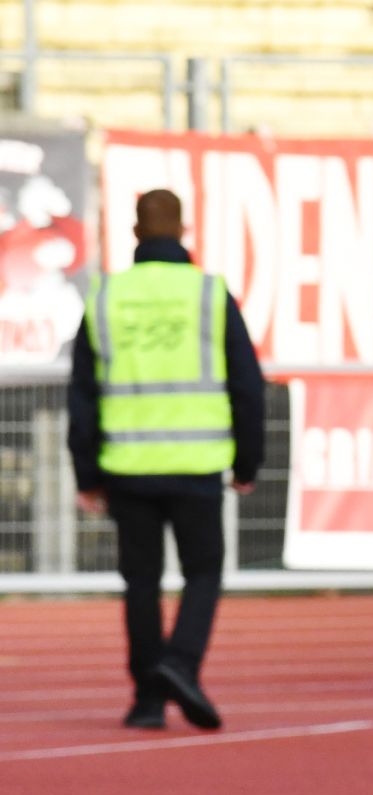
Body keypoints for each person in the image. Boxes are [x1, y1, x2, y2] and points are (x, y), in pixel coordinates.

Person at [67, 189, 265, 731]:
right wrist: (247, 463)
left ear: (135, 233)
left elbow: (82, 393)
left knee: (141, 582)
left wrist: (86, 472)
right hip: (196, 463)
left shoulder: (107, 296)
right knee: (203, 572)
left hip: (127, 465)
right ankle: (180, 663)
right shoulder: (208, 294)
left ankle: (147, 700)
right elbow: (248, 385)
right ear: (183, 231)